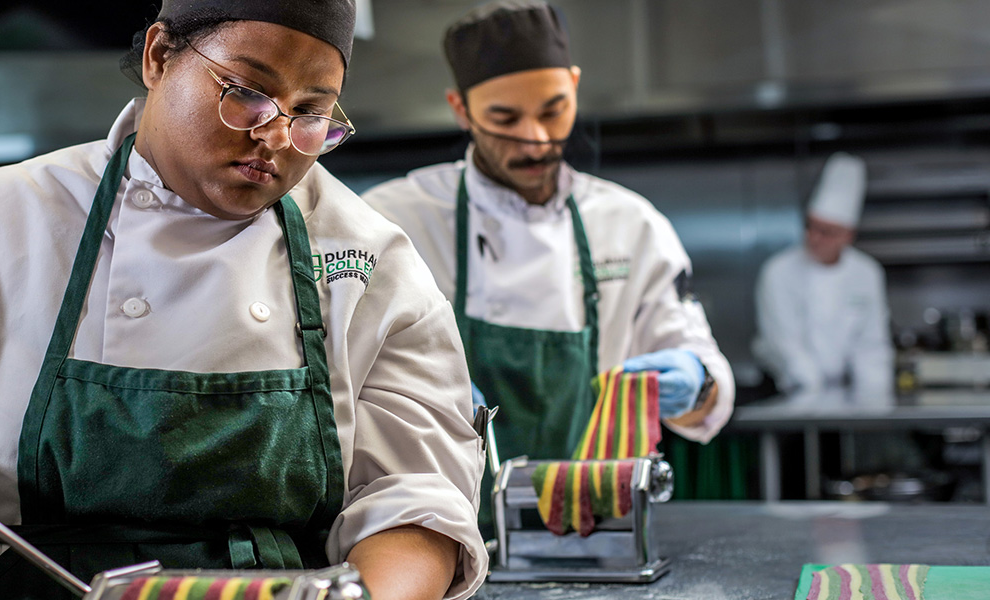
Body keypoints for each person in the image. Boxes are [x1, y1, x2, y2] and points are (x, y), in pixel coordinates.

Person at [0, 2, 488, 599]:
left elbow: (417, 499)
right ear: (158, 56)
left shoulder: (372, 259)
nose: (278, 137)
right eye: (248, 92)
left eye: (310, 113)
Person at [362, 0, 734, 476]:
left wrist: (698, 385)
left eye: (553, 111)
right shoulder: (392, 222)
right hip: (439, 505)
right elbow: (342, 377)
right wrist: (413, 395)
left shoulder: (631, 225)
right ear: (461, 110)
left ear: (574, 87)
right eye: (505, 119)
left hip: (598, 506)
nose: (536, 139)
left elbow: (708, 394)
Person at [753, 152, 894, 407]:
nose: (814, 238)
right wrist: (814, 397)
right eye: (811, 226)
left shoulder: (867, 273)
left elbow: (871, 346)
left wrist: (875, 402)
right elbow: (784, 343)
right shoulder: (778, 271)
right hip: (786, 389)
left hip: (843, 391)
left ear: (848, 235)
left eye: (826, 232)